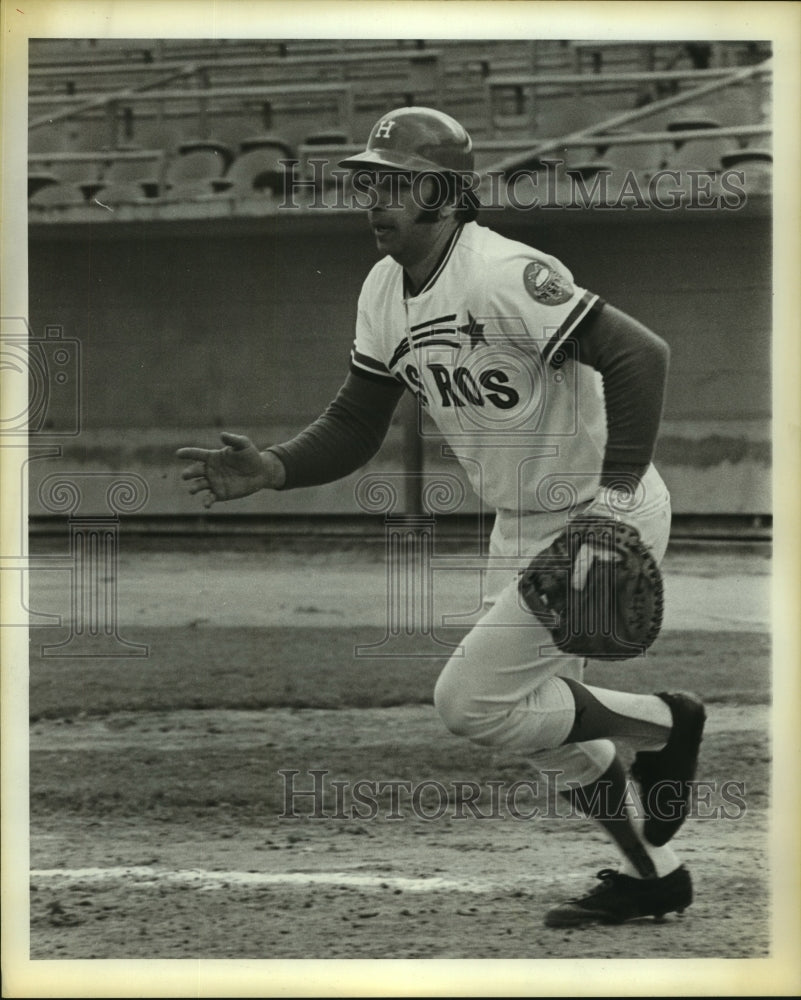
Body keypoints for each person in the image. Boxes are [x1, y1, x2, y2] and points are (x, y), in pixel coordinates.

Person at [177, 106, 706, 928]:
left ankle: (668, 725)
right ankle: (655, 877)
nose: (375, 199)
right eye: (369, 182)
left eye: (395, 184)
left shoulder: (502, 273)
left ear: (445, 192)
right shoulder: (384, 289)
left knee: (469, 702)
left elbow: (642, 353)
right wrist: (275, 467)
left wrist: (611, 503)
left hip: (601, 512)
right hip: (522, 525)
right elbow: (356, 422)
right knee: (540, 731)